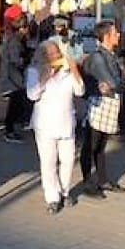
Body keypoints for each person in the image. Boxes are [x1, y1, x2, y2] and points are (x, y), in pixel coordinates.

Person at [27, 40, 84, 214]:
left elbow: (80, 91)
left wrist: (74, 69)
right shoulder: (34, 71)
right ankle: (52, 197)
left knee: (67, 160)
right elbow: (32, 94)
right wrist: (46, 75)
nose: (55, 56)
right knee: (48, 162)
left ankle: (65, 191)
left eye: (56, 53)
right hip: (45, 124)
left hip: (66, 122)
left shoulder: (67, 72)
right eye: (50, 54)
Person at [81, 20, 125, 199]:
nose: (119, 35)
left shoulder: (109, 55)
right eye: (115, 33)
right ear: (107, 36)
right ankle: (87, 181)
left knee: (101, 144)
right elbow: (114, 82)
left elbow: (118, 81)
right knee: (91, 144)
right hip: (98, 103)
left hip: (107, 101)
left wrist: (124, 81)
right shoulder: (99, 57)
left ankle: (102, 179)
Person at [0, 19, 29, 144]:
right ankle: (9, 130)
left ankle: (11, 128)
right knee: (15, 104)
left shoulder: (9, 39)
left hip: (10, 76)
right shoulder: (15, 42)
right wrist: (25, 60)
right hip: (13, 77)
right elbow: (15, 60)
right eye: (26, 28)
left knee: (15, 103)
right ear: (21, 29)